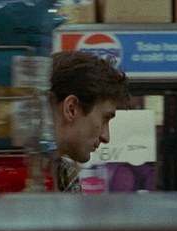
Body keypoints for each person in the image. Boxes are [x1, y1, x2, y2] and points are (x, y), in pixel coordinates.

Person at [49, 50, 130, 192]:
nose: (106, 137)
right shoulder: (17, 180)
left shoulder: (66, 177)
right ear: (71, 109)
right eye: (104, 118)